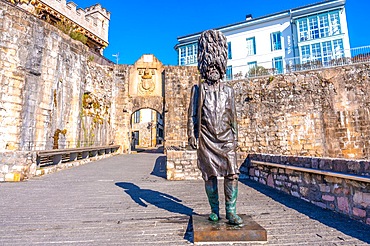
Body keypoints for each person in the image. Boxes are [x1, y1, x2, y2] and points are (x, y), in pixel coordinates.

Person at [187, 29, 243, 225]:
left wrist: (235, 138)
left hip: (226, 138)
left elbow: (233, 116)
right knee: (209, 175)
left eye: (215, 67)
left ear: (221, 68)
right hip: (206, 138)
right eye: (209, 67)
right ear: (204, 68)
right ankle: (214, 210)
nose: (212, 71)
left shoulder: (229, 90)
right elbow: (193, 114)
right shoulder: (199, 89)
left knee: (232, 174)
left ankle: (231, 211)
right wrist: (191, 135)